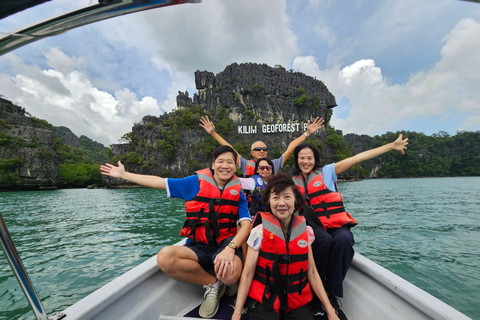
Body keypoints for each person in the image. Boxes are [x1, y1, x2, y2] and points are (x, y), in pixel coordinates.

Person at [100, 145, 252, 319]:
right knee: (165, 257)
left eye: (230, 162)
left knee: (230, 275)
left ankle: (227, 280)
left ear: (235, 166)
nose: (225, 166)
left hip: (225, 243)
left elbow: (246, 225)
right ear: (213, 164)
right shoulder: (193, 183)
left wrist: (230, 248)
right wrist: (124, 175)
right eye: (221, 161)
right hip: (199, 245)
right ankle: (212, 284)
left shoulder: (237, 190)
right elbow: (159, 182)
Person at [292, 134, 409, 320]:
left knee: (344, 240)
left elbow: (357, 158)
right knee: (323, 241)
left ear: (315, 160)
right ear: (296, 160)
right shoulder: (293, 182)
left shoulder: (328, 172)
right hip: (313, 229)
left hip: (336, 225)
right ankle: (314, 290)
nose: (306, 161)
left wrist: (390, 146)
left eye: (309, 158)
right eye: (302, 158)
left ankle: (330, 293)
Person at [232, 173, 340, 320]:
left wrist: (330, 311)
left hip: (296, 302)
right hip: (265, 301)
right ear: (269, 202)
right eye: (276, 197)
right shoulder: (259, 232)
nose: (281, 203)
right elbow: (247, 274)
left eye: (287, 197)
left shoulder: (305, 232)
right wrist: (237, 313)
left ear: (296, 201)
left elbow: (313, 273)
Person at [199, 116, 324, 177]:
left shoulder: (274, 164)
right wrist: (213, 133)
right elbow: (230, 149)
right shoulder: (244, 164)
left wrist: (307, 133)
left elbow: (290, 149)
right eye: (258, 149)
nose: (262, 151)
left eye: (264, 149)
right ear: (252, 153)